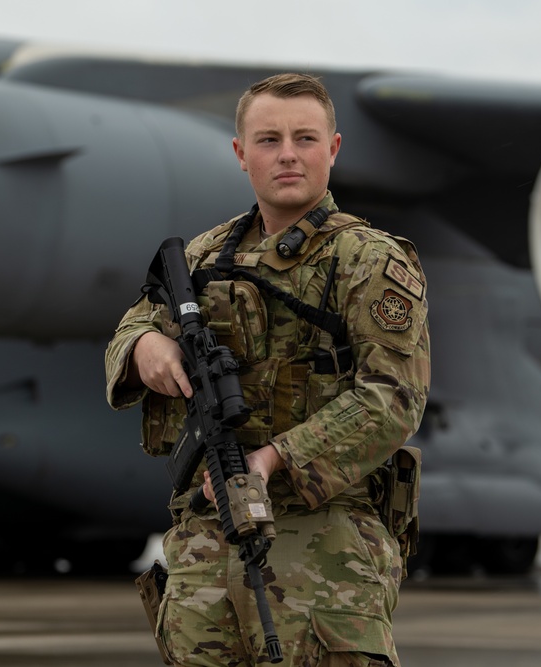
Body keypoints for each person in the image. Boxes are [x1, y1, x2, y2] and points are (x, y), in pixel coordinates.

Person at [105, 73, 430, 666]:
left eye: (305, 138)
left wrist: (274, 458)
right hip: (207, 537)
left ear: (332, 149)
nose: (287, 155)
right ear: (240, 154)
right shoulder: (201, 260)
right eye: (268, 139)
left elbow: (393, 399)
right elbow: (130, 328)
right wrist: (145, 347)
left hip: (324, 541)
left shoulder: (370, 261)